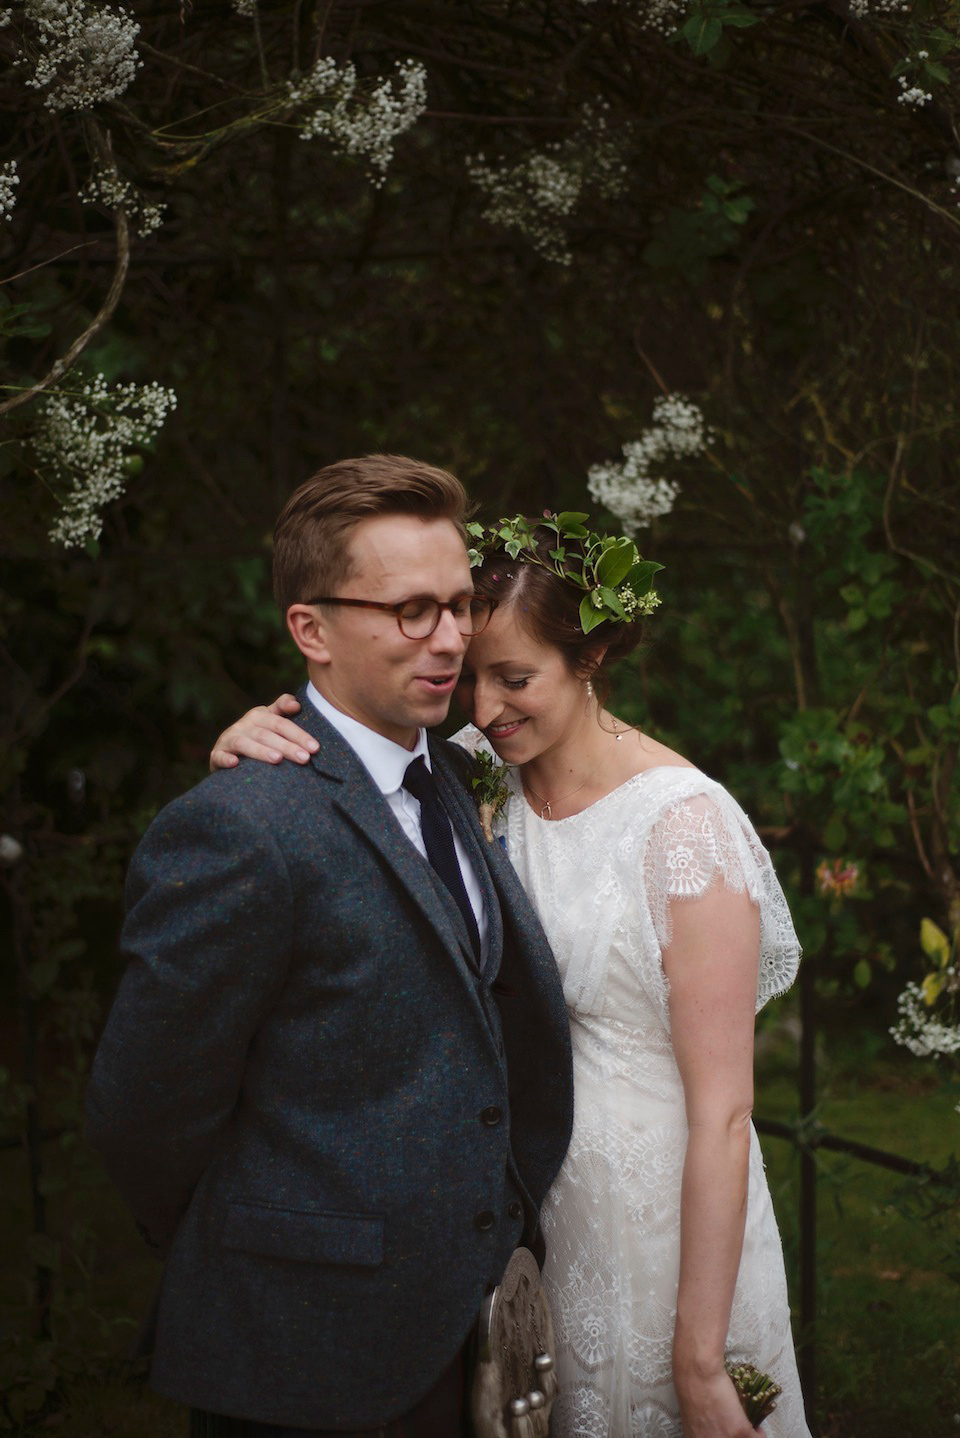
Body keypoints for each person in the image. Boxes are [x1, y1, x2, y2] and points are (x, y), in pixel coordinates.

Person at [214, 512, 813, 1438]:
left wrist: (699, 1358)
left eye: (516, 677)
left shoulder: (683, 826)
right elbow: (339, 798)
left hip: (661, 1224)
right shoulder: (466, 778)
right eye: (474, 679)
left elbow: (726, 1115)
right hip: (517, 1224)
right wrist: (250, 743)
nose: (486, 708)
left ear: (593, 657)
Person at [85, 457, 574, 1438]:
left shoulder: (447, 767)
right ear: (310, 628)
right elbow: (145, 1103)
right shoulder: (241, 827)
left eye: (458, 605)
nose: (450, 640)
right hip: (304, 1352)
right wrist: (253, 1239)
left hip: (466, 1333)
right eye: (409, 612)